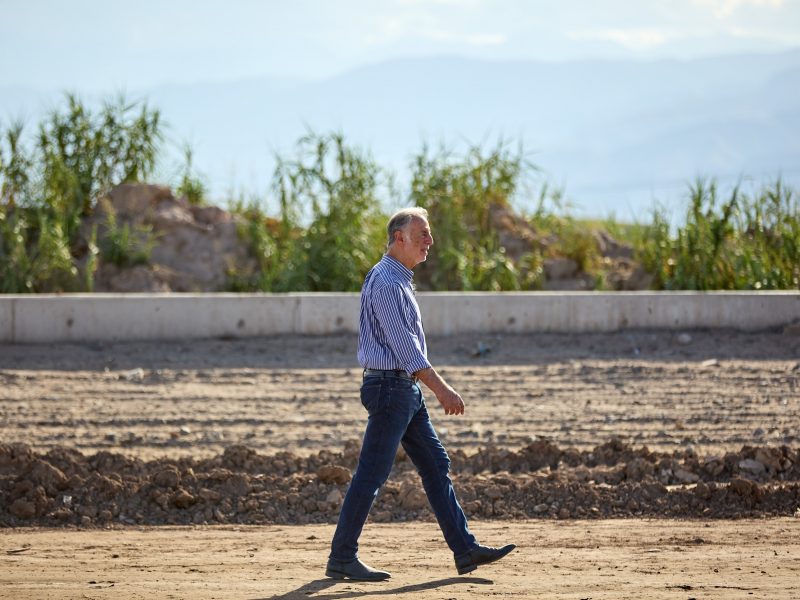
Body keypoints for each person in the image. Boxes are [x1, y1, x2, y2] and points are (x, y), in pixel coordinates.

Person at [325, 207, 516, 581]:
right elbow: (406, 349)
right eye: (423, 234)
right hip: (391, 388)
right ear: (399, 238)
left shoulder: (396, 279)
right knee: (372, 473)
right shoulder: (386, 283)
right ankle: (342, 557)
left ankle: (465, 550)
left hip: (402, 389)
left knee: (435, 464)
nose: (430, 241)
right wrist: (443, 390)